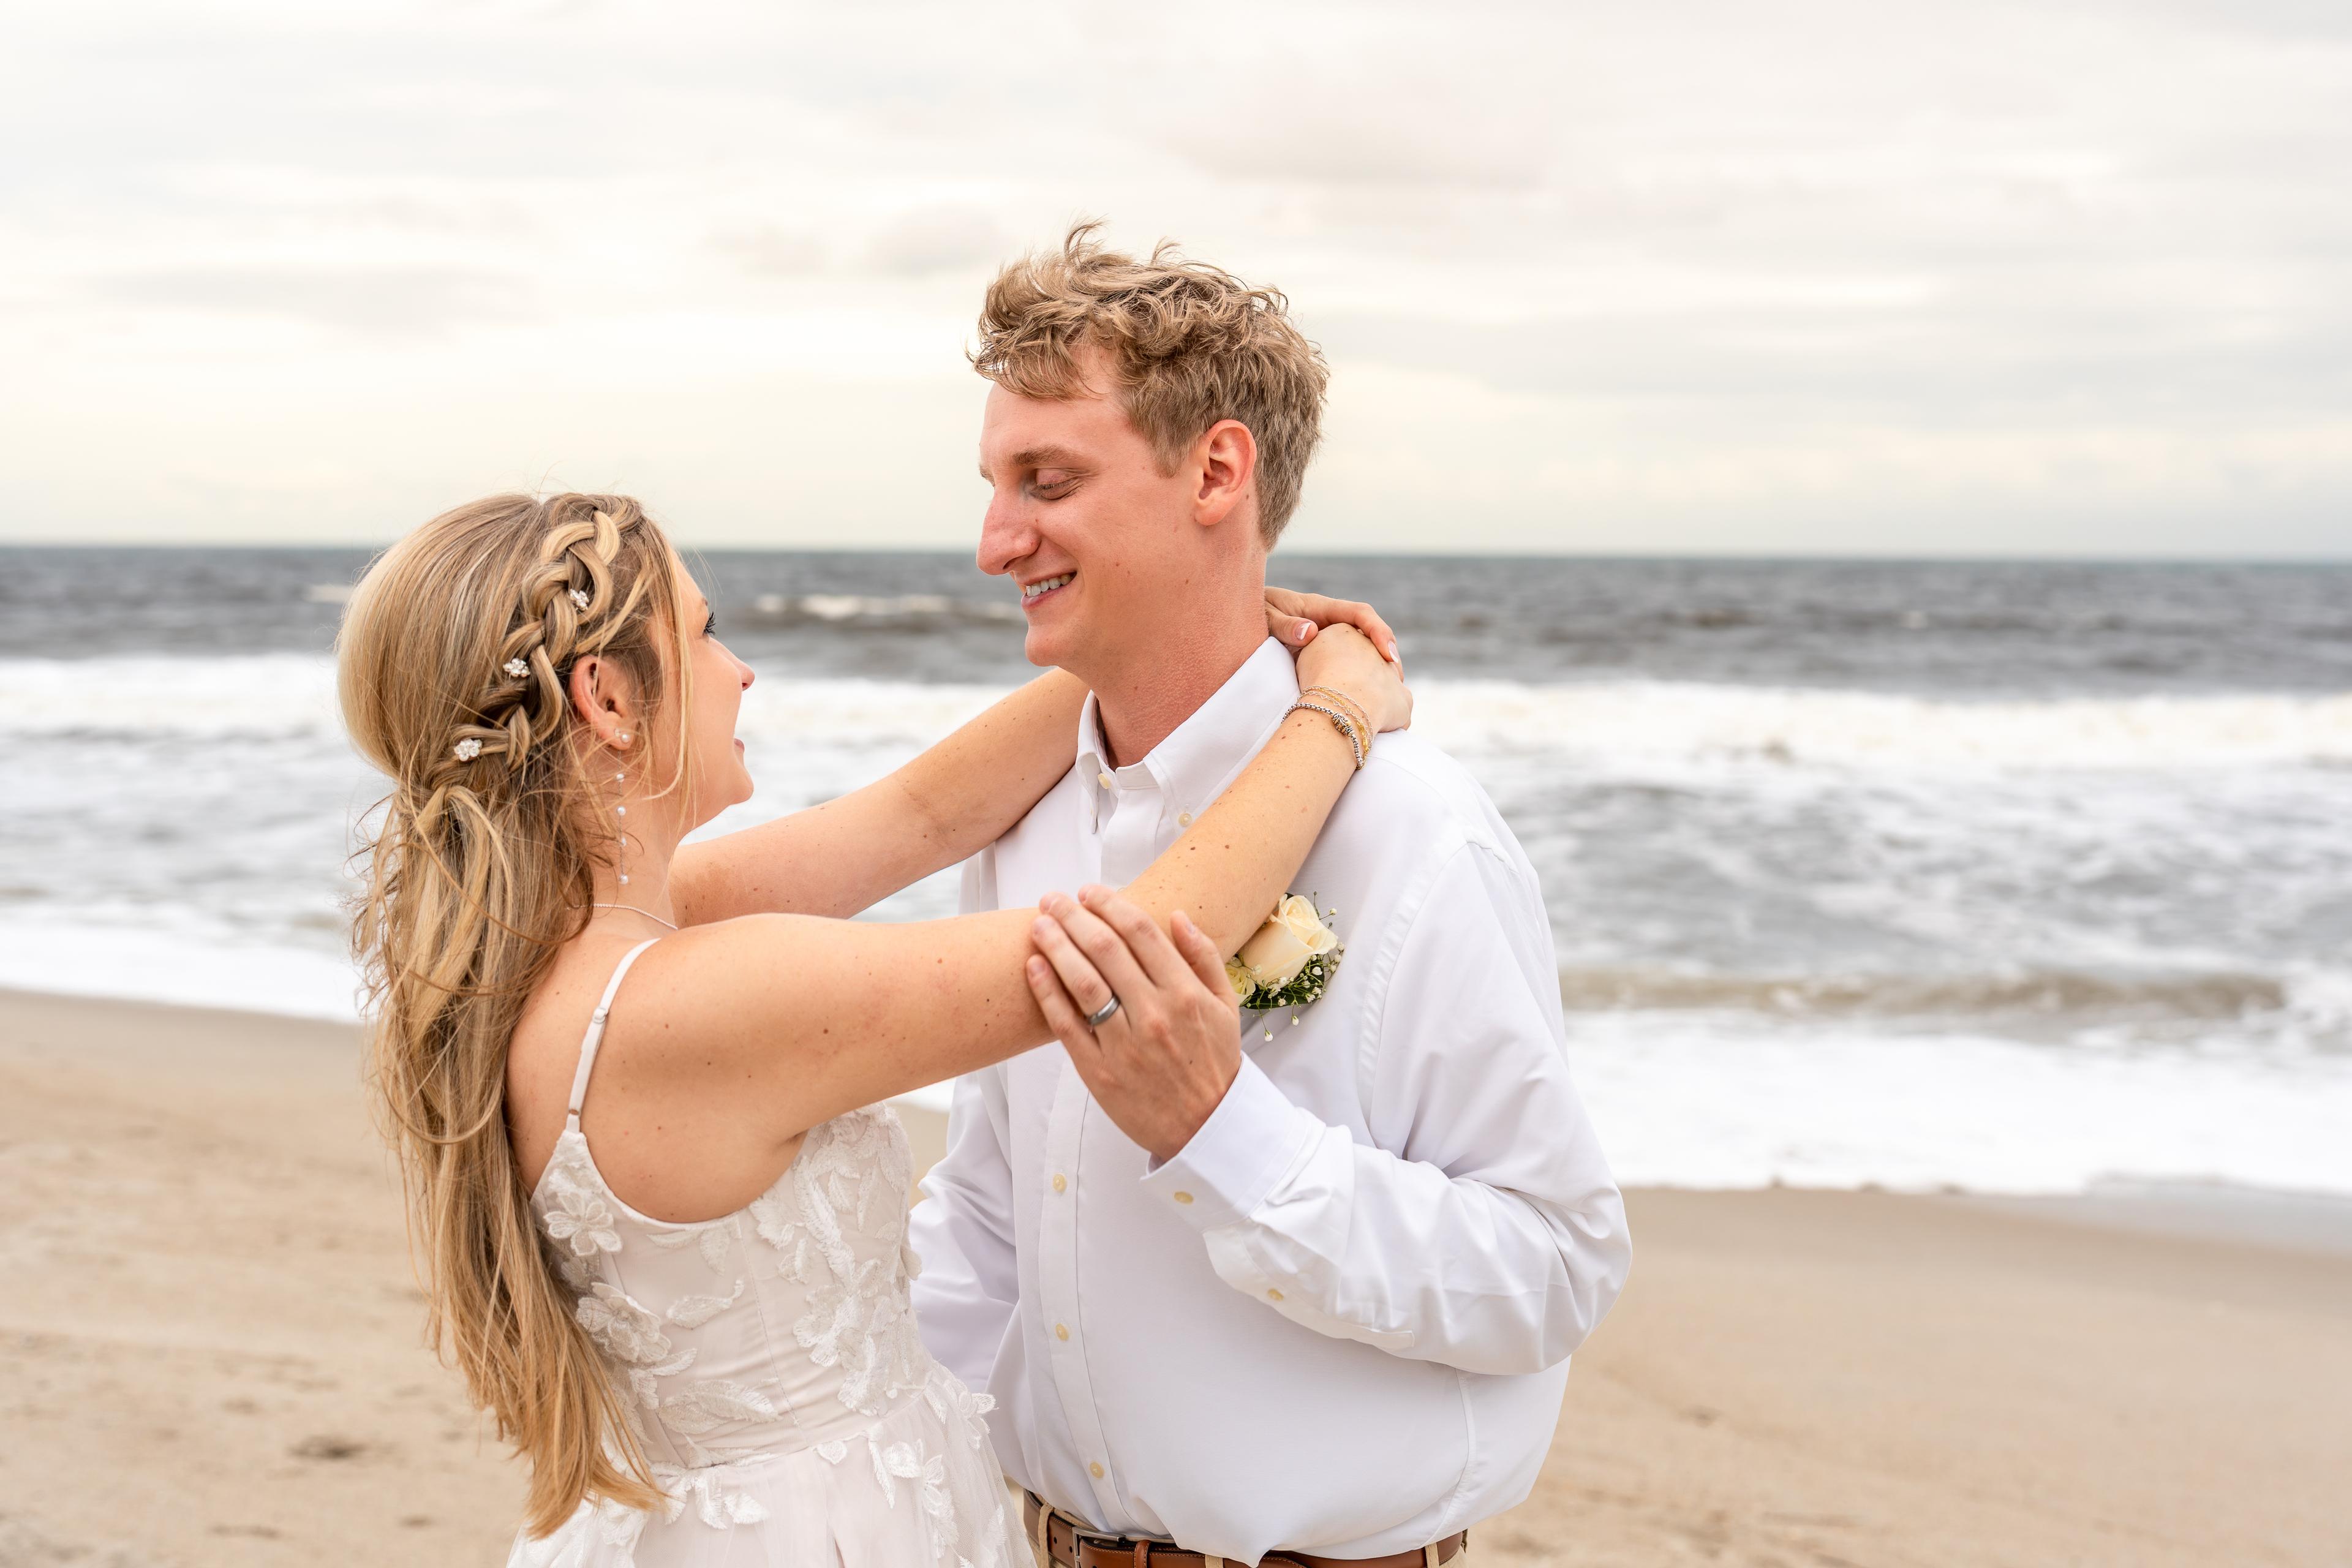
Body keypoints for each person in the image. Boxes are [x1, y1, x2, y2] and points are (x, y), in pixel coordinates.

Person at [334, 490, 1410, 1566]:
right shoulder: (694, 1002)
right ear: (608, 698)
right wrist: (1337, 712)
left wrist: (1198, 632)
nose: (740, 671)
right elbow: (1142, 947)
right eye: (704, 633)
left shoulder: (543, 940)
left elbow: (921, 817)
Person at [910, 227, 1631, 1568]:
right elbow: (988, 1212)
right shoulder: (1029, 820)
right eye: (996, 486)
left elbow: (1553, 1267)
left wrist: (1220, 1128)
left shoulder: (1415, 833)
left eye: (1047, 481)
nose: (995, 542)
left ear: (1217, 472)